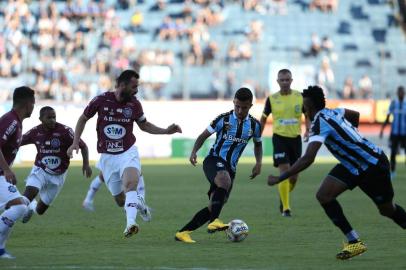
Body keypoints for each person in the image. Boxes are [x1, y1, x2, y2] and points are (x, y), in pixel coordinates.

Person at [268, 85, 406, 260]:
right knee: (324, 195)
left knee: (387, 209)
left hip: (373, 165)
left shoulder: (319, 123)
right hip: (352, 166)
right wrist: (351, 137)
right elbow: (355, 115)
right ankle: (354, 241)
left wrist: (281, 177)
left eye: (303, 106)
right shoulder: (334, 112)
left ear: (308, 107)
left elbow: (308, 158)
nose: (302, 109)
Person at [67, 69, 182, 238]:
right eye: (134, 87)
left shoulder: (134, 104)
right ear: (122, 85)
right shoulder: (101, 100)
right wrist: (75, 141)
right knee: (121, 200)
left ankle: (130, 224)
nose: (136, 90)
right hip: (107, 157)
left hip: (128, 152)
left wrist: (165, 131)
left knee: (130, 185)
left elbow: (144, 125)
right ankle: (140, 204)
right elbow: (83, 118)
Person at [175, 87, 262, 243]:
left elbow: (258, 144)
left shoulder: (255, 125)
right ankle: (215, 221)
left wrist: (258, 163)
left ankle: (183, 233)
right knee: (224, 180)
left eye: (244, 107)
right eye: (237, 106)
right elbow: (203, 135)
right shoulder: (223, 119)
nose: (240, 110)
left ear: (250, 106)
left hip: (231, 168)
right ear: (234, 102)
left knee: (214, 204)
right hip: (213, 160)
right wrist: (194, 151)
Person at [20, 106, 92, 223]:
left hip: (58, 176)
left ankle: (32, 207)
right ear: (41, 119)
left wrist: (86, 164)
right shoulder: (35, 132)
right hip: (40, 170)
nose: (52, 120)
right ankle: (9, 216)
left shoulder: (65, 131)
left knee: (40, 210)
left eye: (54, 117)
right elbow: (17, 142)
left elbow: (83, 146)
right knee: (27, 197)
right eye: (49, 118)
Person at [260, 69, 307, 217]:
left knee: (293, 176)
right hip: (279, 138)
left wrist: (309, 129)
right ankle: (286, 209)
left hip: (295, 139)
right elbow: (263, 118)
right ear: (277, 81)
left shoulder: (300, 97)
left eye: (287, 80)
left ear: (291, 80)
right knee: (284, 171)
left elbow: (308, 115)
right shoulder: (272, 99)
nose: (285, 82)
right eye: (282, 80)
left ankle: (283, 197)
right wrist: (258, 136)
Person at [0, 86, 35, 259]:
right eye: (33, 103)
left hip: (2, 175)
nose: (34, 107)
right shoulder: (11, 121)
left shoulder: (16, 122)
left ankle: (1, 250)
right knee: (20, 206)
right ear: (28, 103)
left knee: (18, 207)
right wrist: (6, 169)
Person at [379, 86, 406, 179]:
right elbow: (387, 117)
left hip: (404, 133)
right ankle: (393, 171)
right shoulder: (394, 104)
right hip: (394, 133)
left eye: (403, 92)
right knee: (393, 152)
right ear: (397, 93)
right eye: (400, 92)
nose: (401, 94)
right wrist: (382, 129)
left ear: (404, 93)